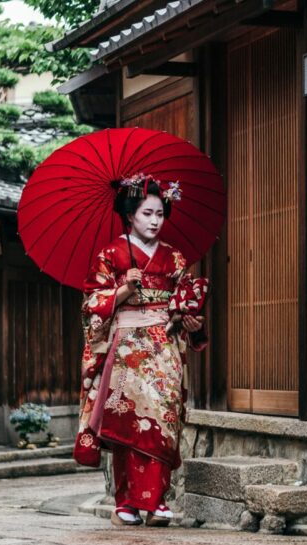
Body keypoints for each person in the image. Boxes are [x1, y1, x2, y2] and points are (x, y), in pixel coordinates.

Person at [75, 175, 207, 527]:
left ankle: (158, 499)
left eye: (160, 214)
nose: (154, 220)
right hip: (126, 347)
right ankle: (126, 500)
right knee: (127, 422)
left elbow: (185, 301)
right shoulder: (111, 254)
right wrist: (120, 291)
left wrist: (188, 319)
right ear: (129, 215)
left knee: (163, 420)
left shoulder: (173, 257)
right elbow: (91, 304)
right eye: (147, 213)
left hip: (163, 345)